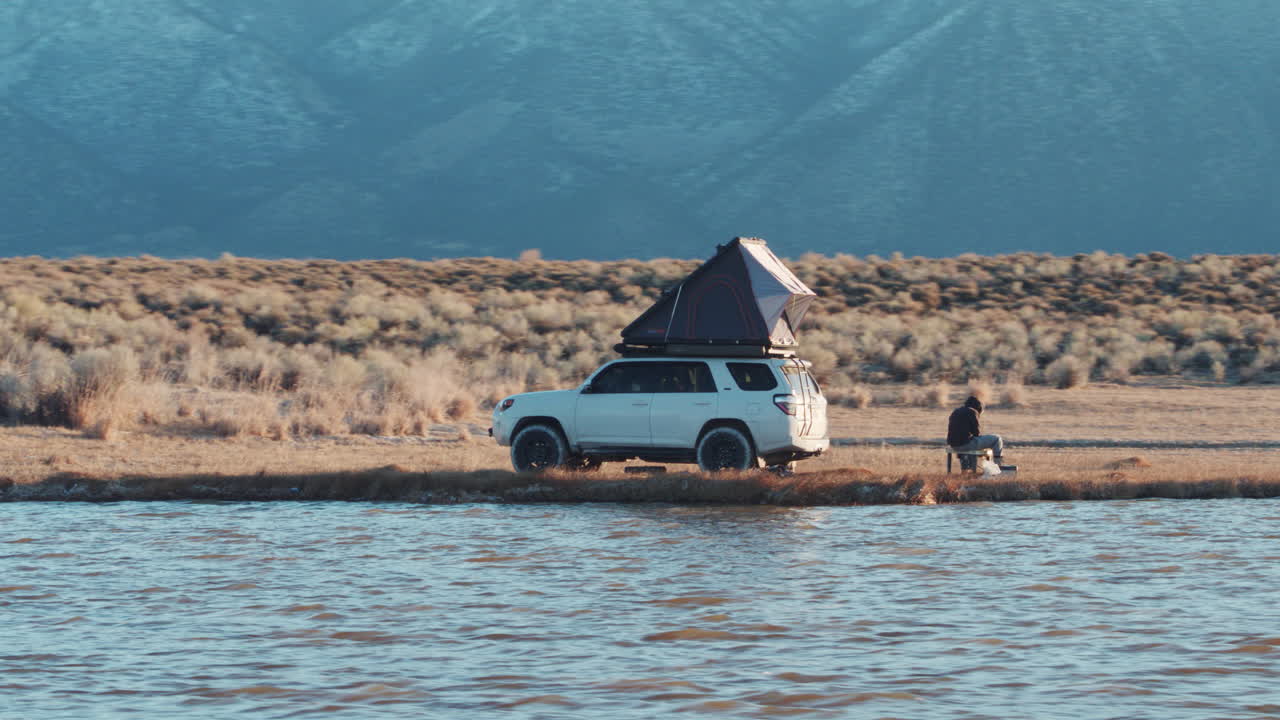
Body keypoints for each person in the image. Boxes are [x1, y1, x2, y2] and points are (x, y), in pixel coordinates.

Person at [947, 395, 1004, 462]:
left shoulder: (956, 411)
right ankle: (998, 466)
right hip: (965, 445)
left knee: (969, 441)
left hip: (953, 445)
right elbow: (976, 433)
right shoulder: (973, 411)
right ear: (978, 407)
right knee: (997, 439)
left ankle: (965, 469)